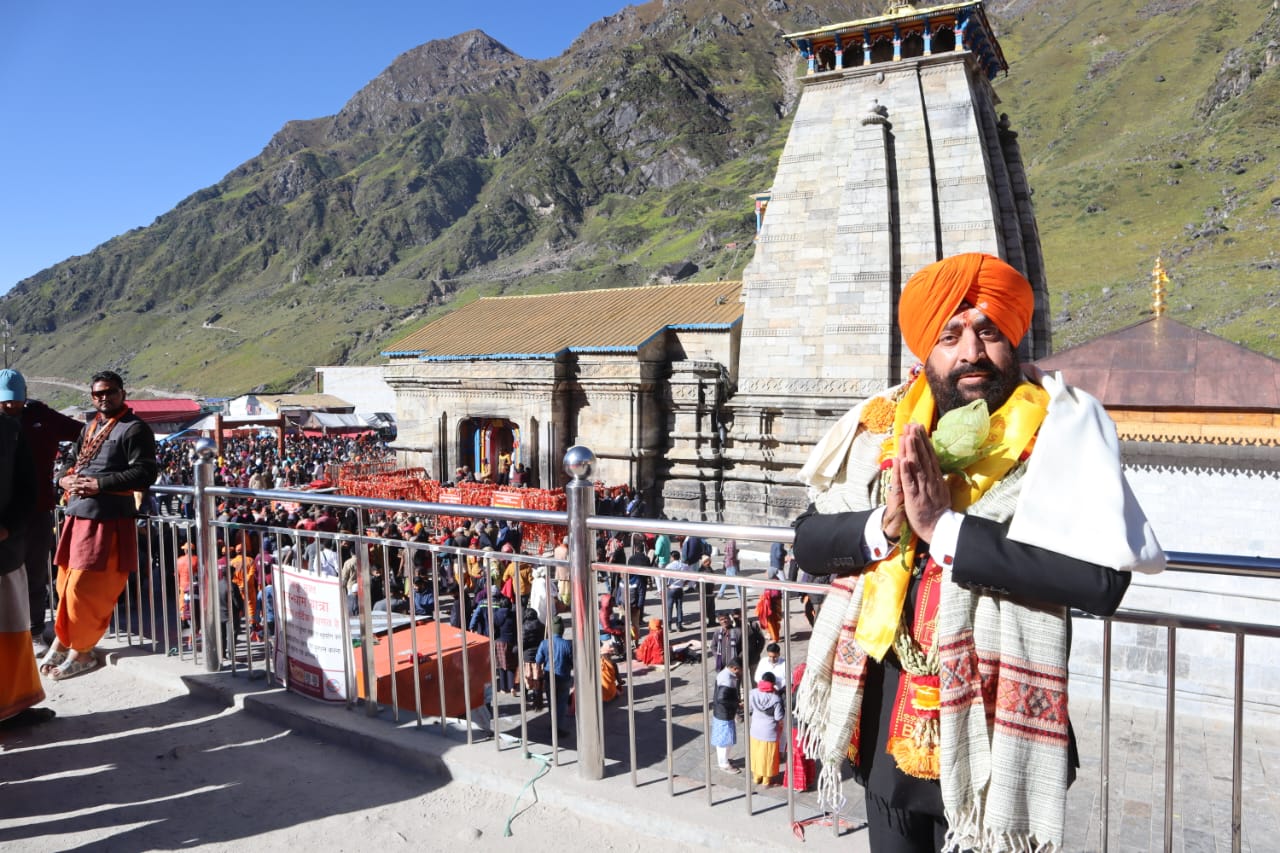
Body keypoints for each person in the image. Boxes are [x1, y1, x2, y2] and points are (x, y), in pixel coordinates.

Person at [791, 253, 1164, 853]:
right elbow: (809, 541)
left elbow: (1102, 581)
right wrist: (886, 525)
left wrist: (944, 528)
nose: (971, 351)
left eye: (987, 330)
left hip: (997, 725)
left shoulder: (1060, 433)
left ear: (1011, 341)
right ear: (925, 353)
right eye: (951, 334)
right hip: (884, 717)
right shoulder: (881, 429)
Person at [40, 370, 158, 680]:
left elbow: (145, 474)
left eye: (109, 392)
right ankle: (65, 641)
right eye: (97, 394)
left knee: (87, 589)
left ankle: (84, 650)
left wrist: (99, 484)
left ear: (122, 392)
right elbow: (74, 461)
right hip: (78, 515)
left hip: (108, 519)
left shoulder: (135, 429)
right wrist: (63, 478)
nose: (103, 397)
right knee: (65, 584)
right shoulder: (91, 426)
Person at [0, 369, 83, 655]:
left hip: (36, 510)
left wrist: (66, 469)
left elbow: (85, 434)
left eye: (16, 400)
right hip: (2, 514)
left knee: (35, 574)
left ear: (25, 396)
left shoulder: (43, 417)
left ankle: (35, 632)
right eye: (4, 401)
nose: (11, 406)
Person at [0, 408, 48, 727]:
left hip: (3, 552)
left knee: (11, 630)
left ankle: (14, 706)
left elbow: (28, 488)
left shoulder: (9, 431)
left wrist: (7, 528)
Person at [535, 616, 573, 735]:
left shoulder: (544, 643)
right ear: (562, 630)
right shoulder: (568, 644)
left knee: (552, 702)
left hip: (549, 677)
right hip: (564, 676)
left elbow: (538, 660)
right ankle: (558, 727)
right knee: (561, 703)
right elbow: (573, 662)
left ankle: (553, 724)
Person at [748, 671, 784, 786]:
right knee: (768, 757)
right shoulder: (775, 698)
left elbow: (749, 709)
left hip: (755, 730)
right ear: (772, 684)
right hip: (769, 732)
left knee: (757, 754)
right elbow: (778, 717)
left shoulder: (753, 693)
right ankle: (766, 780)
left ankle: (756, 777)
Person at [711, 656, 743, 773]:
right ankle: (724, 763)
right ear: (735, 668)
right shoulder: (727, 680)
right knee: (724, 741)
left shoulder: (725, 674)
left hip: (722, 712)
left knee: (725, 739)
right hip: (724, 713)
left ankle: (724, 760)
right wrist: (736, 704)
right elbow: (722, 698)